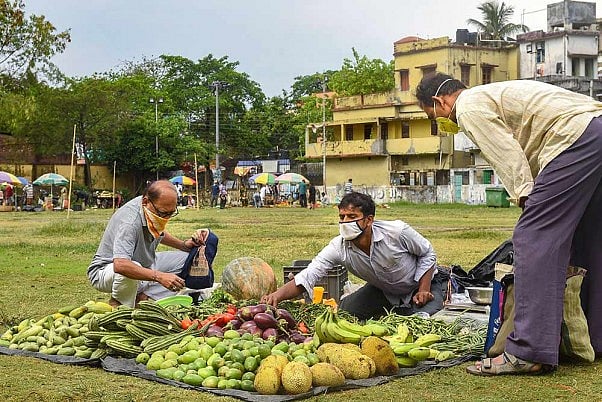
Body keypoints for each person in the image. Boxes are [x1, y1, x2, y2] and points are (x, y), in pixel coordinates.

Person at [415, 72, 602, 375]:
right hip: (594, 128)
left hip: (573, 137)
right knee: (589, 237)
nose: (439, 123)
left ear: (440, 101)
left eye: (432, 116)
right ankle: (595, 337)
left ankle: (528, 350)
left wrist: (525, 195)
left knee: (533, 238)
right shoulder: (491, 94)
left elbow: (506, 153)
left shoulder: (467, 106)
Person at [261, 192, 446, 320]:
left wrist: (423, 288)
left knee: (422, 320)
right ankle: (391, 310)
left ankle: (415, 306)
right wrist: (276, 296)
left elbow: (427, 253)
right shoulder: (338, 247)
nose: (345, 222)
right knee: (344, 313)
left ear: (369, 220)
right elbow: (309, 275)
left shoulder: (396, 232)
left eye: (352, 216)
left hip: (420, 285)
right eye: (342, 217)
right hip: (383, 290)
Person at [87, 180, 209, 307]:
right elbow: (120, 265)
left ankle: (143, 295)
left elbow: (157, 231)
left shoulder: (148, 206)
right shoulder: (129, 222)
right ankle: (121, 306)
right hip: (106, 271)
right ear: (146, 202)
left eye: (171, 213)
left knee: (189, 260)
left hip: (144, 264)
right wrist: (159, 276)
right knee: (131, 267)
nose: (166, 218)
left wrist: (183, 245)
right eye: (163, 213)